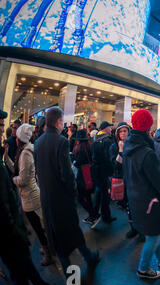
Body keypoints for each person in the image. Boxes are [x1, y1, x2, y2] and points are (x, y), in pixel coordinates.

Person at [34, 107, 100, 274]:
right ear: (57, 122)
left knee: (59, 237)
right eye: (62, 121)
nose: (63, 125)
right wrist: (72, 193)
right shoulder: (61, 141)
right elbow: (67, 174)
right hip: (62, 198)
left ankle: (88, 259)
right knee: (70, 232)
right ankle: (75, 275)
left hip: (47, 199)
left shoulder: (38, 142)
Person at [122, 109, 160, 279]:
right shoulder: (146, 152)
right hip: (150, 202)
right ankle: (143, 269)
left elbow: (126, 175)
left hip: (135, 199)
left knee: (154, 235)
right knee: (153, 237)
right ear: (149, 125)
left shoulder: (129, 146)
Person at [12, 123, 54, 266]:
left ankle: (48, 253)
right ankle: (48, 247)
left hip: (31, 197)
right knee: (42, 225)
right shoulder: (24, 151)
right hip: (29, 196)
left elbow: (23, 179)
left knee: (38, 227)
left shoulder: (25, 154)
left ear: (19, 138)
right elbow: (19, 171)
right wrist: (6, 158)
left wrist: (12, 180)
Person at [109, 121, 141, 239]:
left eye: (125, 131)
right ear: (117, 133)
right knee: (128, 206)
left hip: (134, 179)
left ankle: (141, 230)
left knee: (137, 205)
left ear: (129, 132)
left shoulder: (133, 144)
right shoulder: (113, 146)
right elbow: (115, 165)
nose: (123, 133)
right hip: (122, 180)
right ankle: (134, 229)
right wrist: (121, 151)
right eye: (120, 131)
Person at [72, 129, 99, 228]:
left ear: (78, 140)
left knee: (80, 198)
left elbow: (77, 163)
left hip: (82, 176)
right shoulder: (89, 146)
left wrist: (74, 161)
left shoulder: (80, 149)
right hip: (90, 174)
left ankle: (93, 215)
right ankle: (92, 216)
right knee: (88, 197)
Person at [91, 121, 116, 224]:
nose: (111, 130)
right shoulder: (107, 140)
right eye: (110, 128)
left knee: (98, 191)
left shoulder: (95, 138)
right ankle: (106, 216)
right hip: (104, 170)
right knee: (105, 195)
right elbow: (109, 158)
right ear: (105, 128)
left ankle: (94, 213)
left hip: (96, 170)